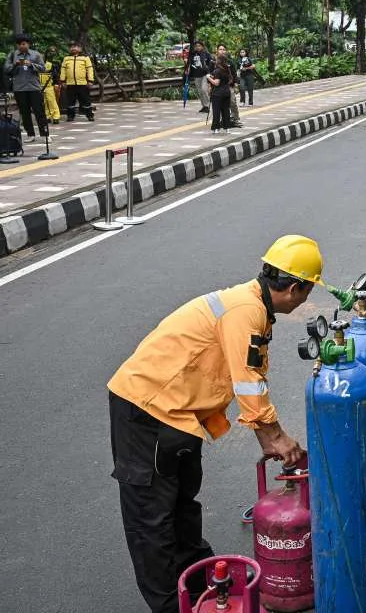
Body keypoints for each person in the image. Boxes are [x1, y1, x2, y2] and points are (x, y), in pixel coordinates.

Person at [107, 235, 317, 613]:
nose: (304, 299)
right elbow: (248, 382)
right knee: (152, 519)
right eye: (307, 291)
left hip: (180, 414)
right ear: (294, 288)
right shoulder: (245, 310)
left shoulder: (254, 308)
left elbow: (247, 381)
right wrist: (277, 437)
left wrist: (268, 439)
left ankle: (206, 587)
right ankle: (172, 605)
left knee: (183, 505)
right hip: (146, 409)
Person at [4, 34, 48, 141]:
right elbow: (6, 69)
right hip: (19, 88)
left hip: (34, 88)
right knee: (25, 112)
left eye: (23, 44)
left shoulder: (36, 54)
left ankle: (45, 135)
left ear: (28, 44)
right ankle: (30, 134)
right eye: (19, 44)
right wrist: (16, 65)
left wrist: (31, 64)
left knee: (39, 111)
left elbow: (43, 68)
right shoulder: (13, 55)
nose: (21, 46)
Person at [59, 40, 96, 122]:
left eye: (75, 46)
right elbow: (63, 71)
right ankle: (70, 116)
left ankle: (89, 115)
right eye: (71, 47)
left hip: (83, 83)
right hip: (70, 84)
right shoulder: (66, 59)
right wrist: (63, 81)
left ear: (80, 48)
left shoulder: (85, 58)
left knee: (86, 100)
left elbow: (89, 70)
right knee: (70, 101)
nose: (73, 48)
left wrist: (90, 80)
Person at [208, 57, 235, 133]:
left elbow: (216, 83)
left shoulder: (217, 71)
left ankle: (216, 128)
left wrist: (208, 78)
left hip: (217, 93)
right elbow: (230, 81)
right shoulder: (227, 70)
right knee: (226, 110)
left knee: (216, 111)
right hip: (226, 92)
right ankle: (227, 128)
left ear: (218, 62)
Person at [188, 41, 215, 113]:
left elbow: (211, 64)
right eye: (196, 46)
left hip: (204, 75)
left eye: (199, 46)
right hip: (196, 75)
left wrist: (209, 72)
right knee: (200, 91)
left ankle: (207, 105)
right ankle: (203, 106)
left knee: (204, 90)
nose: (198, 47)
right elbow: (189, 64)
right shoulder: (193, 54)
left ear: (202, 46)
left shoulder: (207, 54)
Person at [41, 44, 61, 124]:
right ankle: (47, 116)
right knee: (44, 102)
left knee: (52, 101)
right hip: (40, 87)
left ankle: (56, 117)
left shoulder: (51, 64)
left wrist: (56, 84)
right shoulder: (37, 65)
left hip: (49, 86)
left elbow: (55, 75)